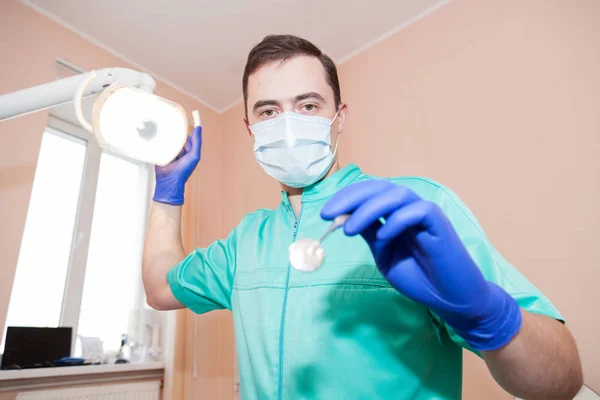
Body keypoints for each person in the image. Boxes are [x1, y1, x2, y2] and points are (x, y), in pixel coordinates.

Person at [143, 35, 583, 399]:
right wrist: (168, 191)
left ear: (340, 118)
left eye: (308, 105)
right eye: (269, 111)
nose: (288, 125)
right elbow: (161, 288)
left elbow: (562, 383)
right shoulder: (245, 241)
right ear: (250, 128)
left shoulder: (411, 211)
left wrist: (487, 315)